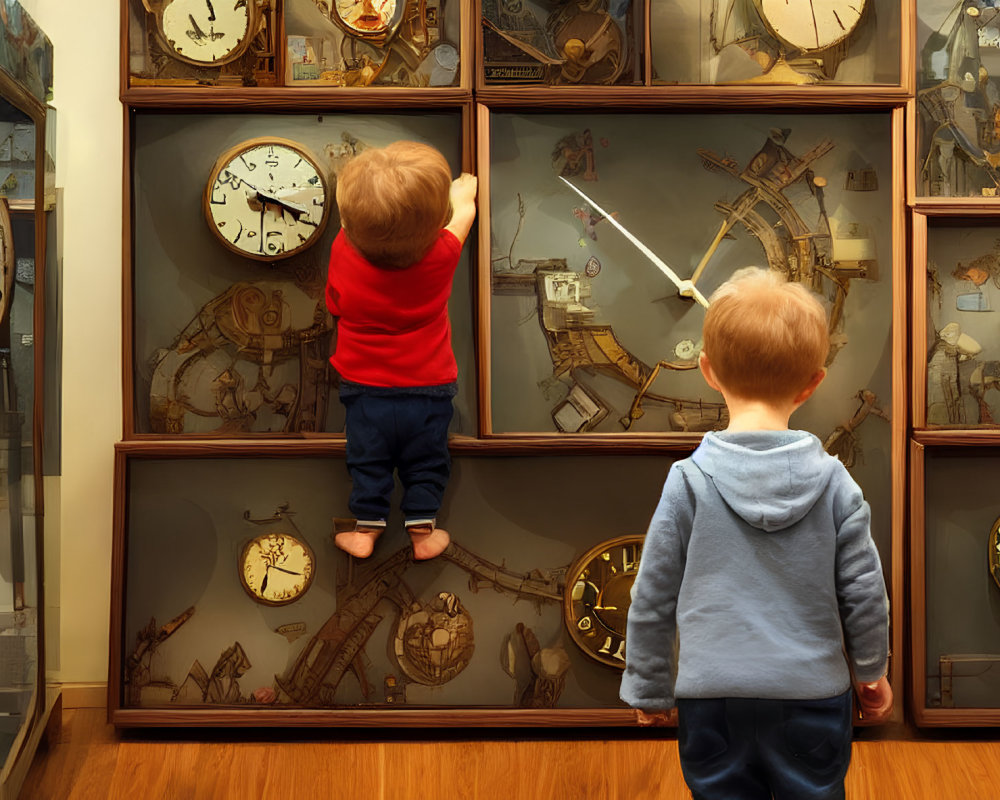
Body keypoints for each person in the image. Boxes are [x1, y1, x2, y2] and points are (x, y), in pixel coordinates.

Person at [620, 267, 892, 800]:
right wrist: (871, 671)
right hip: (813, 693)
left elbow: (651, 594)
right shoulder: (837, 483)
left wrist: (649, 686)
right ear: (814, 381)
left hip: (711, 698)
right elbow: (864, 592)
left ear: (707, 372)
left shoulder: (689, 481)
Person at [325, 141, 477, 561]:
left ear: (350, 225)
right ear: (435, 223)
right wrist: (462, 192)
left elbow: (335, 304)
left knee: (366, 459)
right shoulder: (442, 254)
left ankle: (366, 528)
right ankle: (423, 531)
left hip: (364, 389)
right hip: (428, 387)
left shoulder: (342, 251)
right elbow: (463, 215)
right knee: (427, 459)